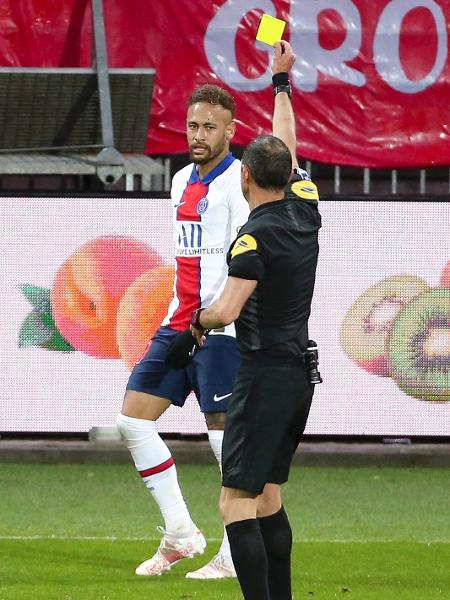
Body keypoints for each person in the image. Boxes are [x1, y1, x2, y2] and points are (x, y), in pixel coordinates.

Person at [115, 41, 308, 581]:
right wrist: (183, 317)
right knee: (132, 421)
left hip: (222, 328)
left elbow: (286, 161)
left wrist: (279, 81)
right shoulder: (178, 181)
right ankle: (181, 533)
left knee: (227, 441)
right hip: (181, 320)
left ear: (230, 132)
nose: (198, 134)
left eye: (209, 127)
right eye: (192, 125)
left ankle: (231, 547)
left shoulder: (241, 182)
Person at [189, 63, 321, 599]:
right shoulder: (305, 211)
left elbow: (226, 311)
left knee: (235, 502)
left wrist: (195, 321)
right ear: (286, 176)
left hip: (262, 377)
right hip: (298, 376)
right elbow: (284, 147)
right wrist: (281, 84)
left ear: (244, 176)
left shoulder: (252, 240)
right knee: (268, 496)